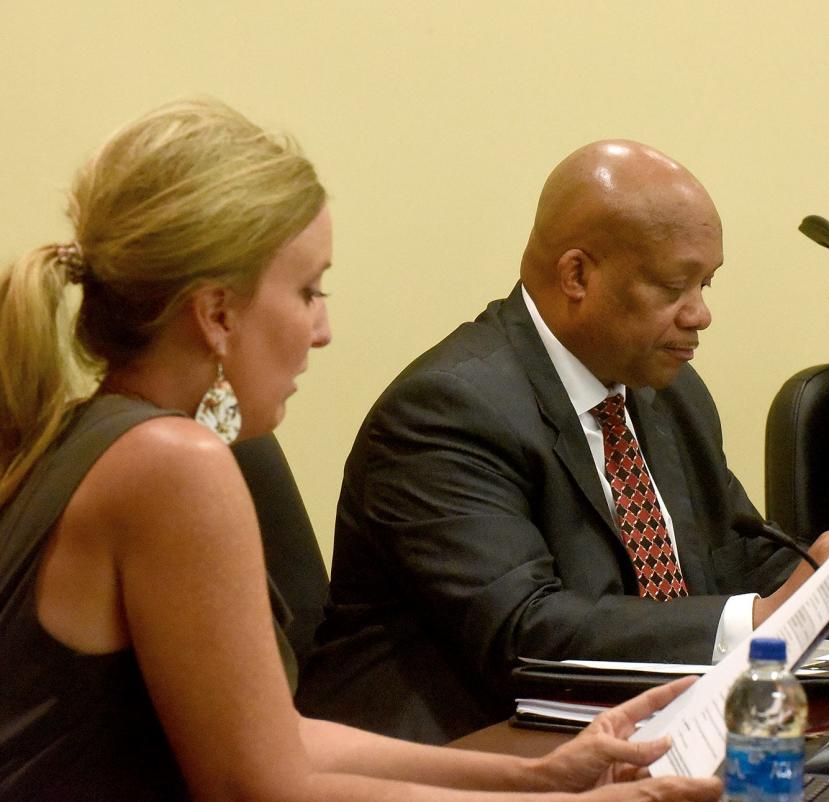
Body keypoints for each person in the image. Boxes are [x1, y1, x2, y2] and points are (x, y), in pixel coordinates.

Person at [0, 100, 721, 801]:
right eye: (310, 290)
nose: (323, 330)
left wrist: (537, 775)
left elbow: (284, 737)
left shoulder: (99, 435)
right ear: (217, 314)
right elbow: (259, 786)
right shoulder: (174, 464)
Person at [297, 140, 829, 744]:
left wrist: (828, 578)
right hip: (456, 749)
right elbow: (524, 632)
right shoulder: (447, 412)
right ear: (577, 274)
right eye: (674, 287)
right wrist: (764, 616)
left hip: (634, 740)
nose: (701, 315)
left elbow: (730, 556)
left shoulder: (668, 392)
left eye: (707, 284)